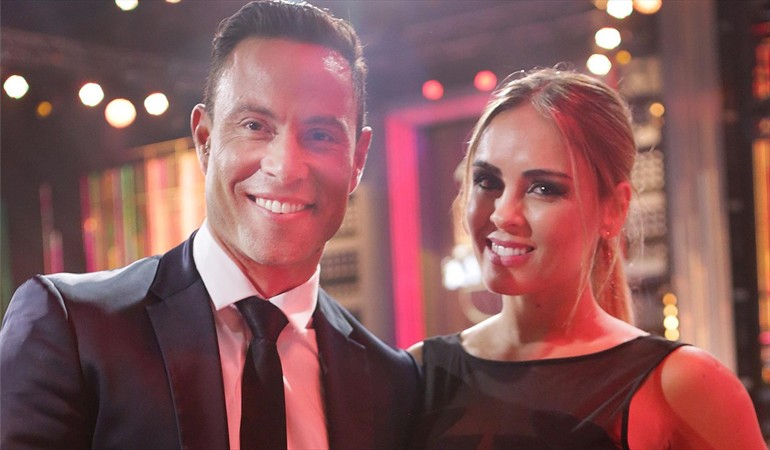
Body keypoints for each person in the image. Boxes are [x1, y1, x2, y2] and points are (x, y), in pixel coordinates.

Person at [0, 1, 420, 449]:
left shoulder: (392, 382)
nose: (285, 166)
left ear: (357, 160)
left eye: (320, 135)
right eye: (255, 125)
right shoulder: (74, 328)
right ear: (205, 139)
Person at [408, 67, 765, 449]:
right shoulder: (419, 376)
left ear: (613, 208)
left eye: (543, 188)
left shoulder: (683, 384)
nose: (502, 214)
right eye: (487, 182)